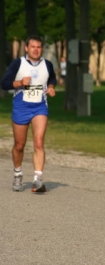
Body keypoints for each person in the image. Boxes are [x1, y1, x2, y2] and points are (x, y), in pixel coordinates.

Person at [1, 35, 57, 193]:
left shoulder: (47, 64)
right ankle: (17, 174)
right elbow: (4, 83)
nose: (36, 50)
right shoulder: (18, 63)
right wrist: (19, 83)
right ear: (27, 48)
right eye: (33, 47)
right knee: (19, 145)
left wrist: (51, 87)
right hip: (21, 107)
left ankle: (38, 179)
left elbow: (52, 78)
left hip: (40, 107)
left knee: (39, 142)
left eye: (39, 47)